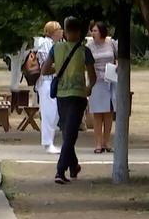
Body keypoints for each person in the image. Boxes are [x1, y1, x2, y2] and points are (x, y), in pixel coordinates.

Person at [41, 17, 97, 184]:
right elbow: (93, 76)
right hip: (78, 95)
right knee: (70, 133)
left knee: (68, 132)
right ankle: (62, 170)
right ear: (79, 33)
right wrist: (89, 88)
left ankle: (71, 166)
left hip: (62, 95)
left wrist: (58, 69)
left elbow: (44, 70)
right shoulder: (84, 51)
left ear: (65, 32)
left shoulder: (56, 48)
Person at [86, 21, 118, 153]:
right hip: (97, 80)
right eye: (92, 31)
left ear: (102, 31)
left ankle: (106, 141)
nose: (93, 33)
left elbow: (118, 57)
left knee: (108, 112)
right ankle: (98, 143)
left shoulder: (111, 43)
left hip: (110, 79)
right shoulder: (89, 46)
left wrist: (117, 66)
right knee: (98, 112)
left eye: (95, 31)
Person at [35, 21, 63, 154]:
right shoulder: (46, 43)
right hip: (46, 81)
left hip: (52, 81)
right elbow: (47, 65)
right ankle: (47, 142)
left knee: (54, 113)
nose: (62, 32)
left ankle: (49, 141)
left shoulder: (55, 44)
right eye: (59, 29)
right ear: (53, 32)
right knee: (49, 113)